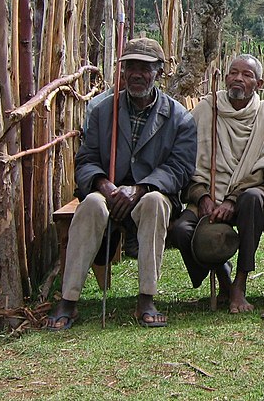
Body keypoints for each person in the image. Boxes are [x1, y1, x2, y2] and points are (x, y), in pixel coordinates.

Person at [44, 37, 197, 330]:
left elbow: (179, 169)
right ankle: (68, 299)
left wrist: (139, 188)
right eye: (131, 67)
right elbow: (86, 159)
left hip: (151, 192)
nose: (137, 74)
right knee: (90, 205)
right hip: (109, 190)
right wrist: (105, 186)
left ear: (159, 72)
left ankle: (146, 298)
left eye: (146, 68)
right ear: (122, 71)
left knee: (153, 204)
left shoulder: (179, 118)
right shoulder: (102, 111)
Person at [168, 54, 264, 313]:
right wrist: (203, 197)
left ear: (258, 84)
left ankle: (239, 283)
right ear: (225, 77)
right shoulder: (207, 109)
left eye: (247, 75)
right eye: (233, 72)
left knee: (253, 200)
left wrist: (231, 199)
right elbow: (187, 163)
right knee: (181, 230)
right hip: (207, 195)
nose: (238, 78)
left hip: (243, 196)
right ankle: (222, 277)